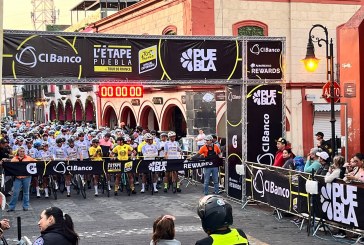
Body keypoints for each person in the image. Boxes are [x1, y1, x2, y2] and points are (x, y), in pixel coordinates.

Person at [7, 146, 36, 212]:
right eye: (21, 151)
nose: (22, 153)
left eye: (23, 151)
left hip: (27, 177)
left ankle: (25, 206)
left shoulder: (28, 158)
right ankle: (11, 207)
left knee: (26, 192)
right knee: (15, 193)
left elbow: (36, 162)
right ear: (18, 152)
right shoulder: (14, 159)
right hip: (17, 178)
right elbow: (9, 166)